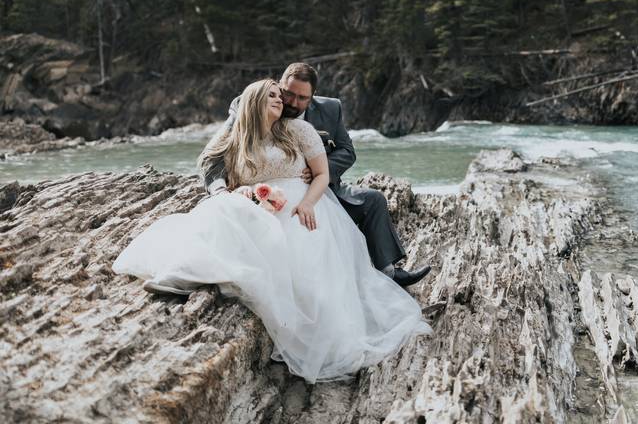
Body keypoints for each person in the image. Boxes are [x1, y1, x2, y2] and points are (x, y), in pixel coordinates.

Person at [112, 79, 431, 382]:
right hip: (257, 201)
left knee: (300, 256)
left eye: (285, 97)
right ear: (253, 102)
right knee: (219, 209)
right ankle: (181, 273)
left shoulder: (299, 130)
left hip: (302, 204)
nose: (283, 101)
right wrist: (234, 191)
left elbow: (326, 169)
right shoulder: (237, 133)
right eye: (274, 96)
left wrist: (307, 202)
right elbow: (211, 165)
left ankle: (369, 284)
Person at [203, 62, 430, 287]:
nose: (293, 103)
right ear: (280, 85)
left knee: (373, 200)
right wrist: (222, 190)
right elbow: (215, 154)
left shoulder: (330, 109)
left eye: (303, 98)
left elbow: (347, 151)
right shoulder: (251, 103)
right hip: (266, 191)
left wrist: (318, 171)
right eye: (288, 94)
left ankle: (388, 271)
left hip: (324, 187)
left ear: (313, 97)